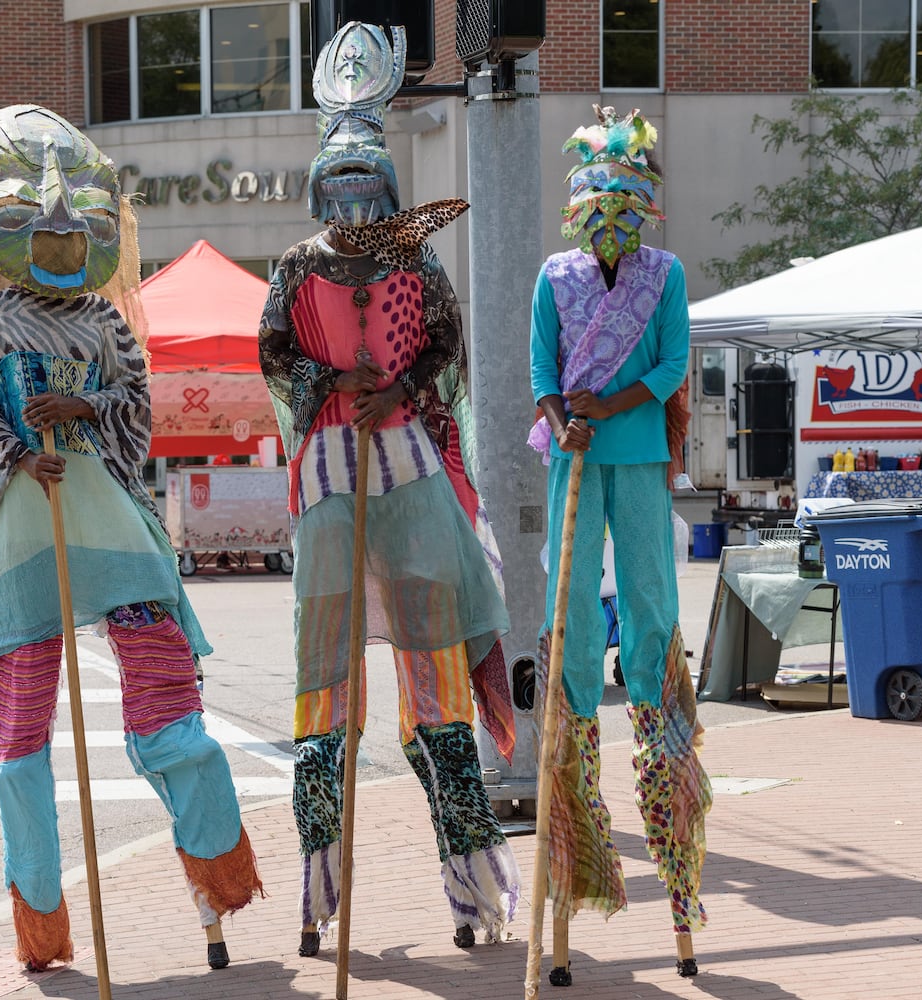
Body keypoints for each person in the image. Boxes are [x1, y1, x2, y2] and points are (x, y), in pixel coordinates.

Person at [0, 104, 261, 973]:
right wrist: (17, 449)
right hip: (26, 517)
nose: (55, 241)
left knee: (170, 705)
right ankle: (42, 927)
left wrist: (82, 407)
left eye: (68, 228)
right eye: (37, 228)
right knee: (19, 740)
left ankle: (216, 876)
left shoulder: (105, 323)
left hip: (107, 514)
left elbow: (137, 405)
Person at [259, 22, 521, 958]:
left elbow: (447, 345)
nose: (356, 193)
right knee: (322, 694)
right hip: (330, 483)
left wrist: (402, 390)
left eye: (371, 177)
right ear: (320, 184)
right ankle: (317, 890)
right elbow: (274, 354)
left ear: (392, 183)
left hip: (409, 477)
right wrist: (327, 387)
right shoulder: (295, 265)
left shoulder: (417, 259)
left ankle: (470, 887)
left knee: (436, 694)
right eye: (342, 179)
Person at [527, 106, 710, 980]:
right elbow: (539, 371)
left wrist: (613, 405)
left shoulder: (664, 274)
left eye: (626, 206)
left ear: (643, 208)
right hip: (577, 456)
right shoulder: (554, 276)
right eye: (599, 204)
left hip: (635, 453)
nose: (611, 223)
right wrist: (565, 418)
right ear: (578, 207)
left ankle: (662, 750)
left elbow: (674, 364)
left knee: (649, 610)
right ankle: (570, 786)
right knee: (569, 614)